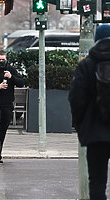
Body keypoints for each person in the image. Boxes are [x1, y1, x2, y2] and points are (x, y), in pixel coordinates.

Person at [69, 24, 110, 200]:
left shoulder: (86, 64)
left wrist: (81, 126)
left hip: (95, 133)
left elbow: (76, 99)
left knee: (97, 182)